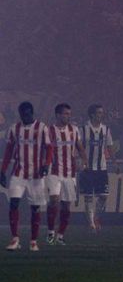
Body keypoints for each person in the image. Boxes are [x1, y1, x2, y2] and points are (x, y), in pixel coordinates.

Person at [0, 102, 52, 251]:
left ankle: (33, 241)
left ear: (32, 113)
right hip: (18, 173)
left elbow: (49, 148)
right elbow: (9, 151)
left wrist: (46, 164)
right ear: (20, 114)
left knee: (35, 208)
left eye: (28, 114)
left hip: (36, 175)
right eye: (23, 114)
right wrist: (2, 171)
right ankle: (15, 239)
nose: (25, 116)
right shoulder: (14, 129)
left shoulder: (42, 128)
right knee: (13, 203)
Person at [46, 103, 88, 245]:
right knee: (54, 200)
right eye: (65, 114)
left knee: (66, 205)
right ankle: (51, 232)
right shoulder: (50, 130)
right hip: (54, 172)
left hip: (70, 173)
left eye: (69, 114)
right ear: (57, 115)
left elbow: (80, 148)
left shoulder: (74, 130)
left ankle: (61, 235)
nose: (68, 116)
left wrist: (84, 162)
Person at [79, 104, 119, 232]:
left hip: (101, 168)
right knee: (89, 196)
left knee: (103, 196)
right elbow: (78, 147)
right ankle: (91, 223)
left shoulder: (105, 130)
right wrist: (78, 161)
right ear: (92, 115)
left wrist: (115, 162)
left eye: (102, 112)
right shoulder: (83, 129)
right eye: (98, 113)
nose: (101, 115)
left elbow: (109, 147)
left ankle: (96, 217)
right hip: (87, 168)